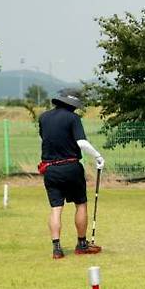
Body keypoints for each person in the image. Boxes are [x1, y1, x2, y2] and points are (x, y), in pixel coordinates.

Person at [38, 94, 105, 259]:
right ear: (71, 106)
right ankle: (82, 244)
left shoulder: (43, 117)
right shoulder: (73, 118)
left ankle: (57, 248)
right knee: (80, 204)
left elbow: (45, 137)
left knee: (56, 208)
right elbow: (81, 143)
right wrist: (98, 156)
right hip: (71, 167)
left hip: (50, 169)